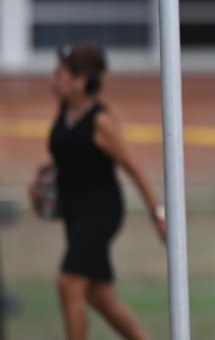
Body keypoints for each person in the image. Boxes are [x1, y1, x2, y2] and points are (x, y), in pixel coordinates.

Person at [29, 44, 166, 340]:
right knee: (100, 297)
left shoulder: (101, 121)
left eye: (60, 74)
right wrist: (41, 180)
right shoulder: (65, 110)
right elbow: (71, 155)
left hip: (100, 212)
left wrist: (158, 215)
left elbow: (133, 168)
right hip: (74, 212)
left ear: (80, 80)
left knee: (68, 283)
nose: (53, 80)